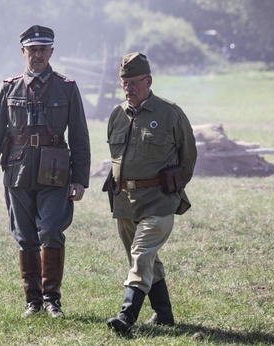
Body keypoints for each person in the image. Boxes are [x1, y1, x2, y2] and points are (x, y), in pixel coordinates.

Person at [0, 25, 91, 318]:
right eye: (33, 50)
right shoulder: (9, 87)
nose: (38, 55)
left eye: (43, 49)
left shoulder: (66, 87)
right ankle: (33, 301)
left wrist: (79, 179)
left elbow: (79, 135)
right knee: (25, 236)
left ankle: (53, 300)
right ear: (23, 52)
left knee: (52, 230)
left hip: (56, 171)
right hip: (18, 171)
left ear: (51, 52)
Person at [104, 52, 197, 334]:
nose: (128, 87)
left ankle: (126, 316)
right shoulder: (117, 115)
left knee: (142, 254)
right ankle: (164, 315)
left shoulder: (170, 113)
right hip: (126, 203)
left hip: (159, 200)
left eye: (134, 81)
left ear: (149, 81)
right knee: (143, 260)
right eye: (124, 82)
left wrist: (173, 189)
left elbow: (188, 156)